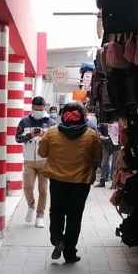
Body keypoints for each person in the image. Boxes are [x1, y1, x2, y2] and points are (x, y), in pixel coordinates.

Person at [38, 103, 102, 264]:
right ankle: (69, 252)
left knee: (56, 212)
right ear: (83, 116)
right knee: (75, 216)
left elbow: (42, 152)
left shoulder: (51, 134)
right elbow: (97, 157)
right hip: (81, 182)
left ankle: (57, 239)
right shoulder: (91, 135)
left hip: (57, 181)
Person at [16, 96, 54, 227]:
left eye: (41, 109)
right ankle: (31, 206)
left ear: (45, 108)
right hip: (29, 161)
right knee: (27, 187)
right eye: (36, 109)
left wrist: (45, 136)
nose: (39, 111)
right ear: (32, 108)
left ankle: (40, 215)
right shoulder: (24, 122)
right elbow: (17, 138)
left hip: (44, 161)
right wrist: (30, 135)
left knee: (43, 190)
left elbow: (56, 142)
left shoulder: (51, 123)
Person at [95, 122, 118, 188]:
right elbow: (98, 131)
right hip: (106, 144)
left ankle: (114, 183)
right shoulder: (102, 123)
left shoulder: (117, 122)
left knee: (115, 164)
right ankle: (102, 181)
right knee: (104, 163)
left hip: (116, 145)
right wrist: (101, 136)